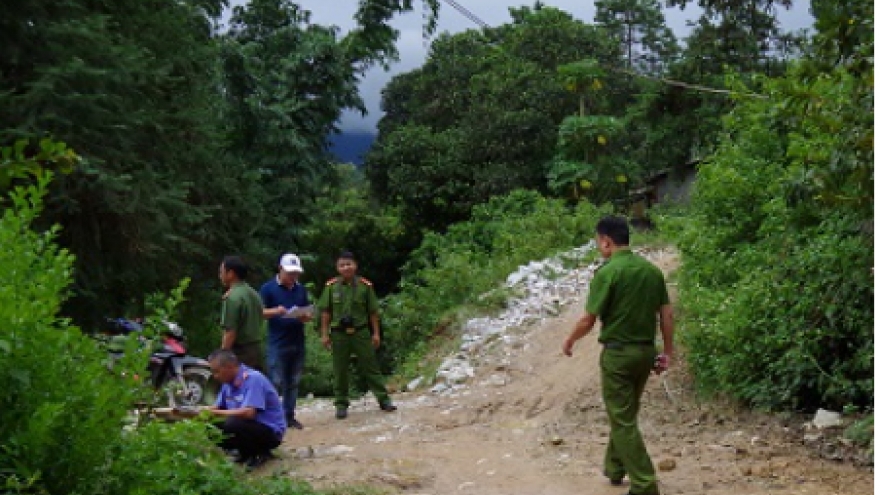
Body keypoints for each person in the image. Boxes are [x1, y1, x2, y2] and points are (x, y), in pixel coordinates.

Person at [562, 216, 674, 495]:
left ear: (606, 241)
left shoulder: (608, 272)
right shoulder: (651, 271)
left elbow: (588, 320)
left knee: (622, 419)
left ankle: (645, 484)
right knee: (626, 412)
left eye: (598, 242)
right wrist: (668, 352)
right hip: (646, 353)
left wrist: (570, 340)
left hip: (618, 356)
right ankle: (615, 467)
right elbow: (666, 315)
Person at [316, 251, 397, 419]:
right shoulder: (331, 287)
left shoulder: (364, 286)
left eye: (349, 264)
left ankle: (383, 399)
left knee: (371, 366)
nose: (346, 267)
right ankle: (341, 404)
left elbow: (373, 312)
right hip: (339, 333)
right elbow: (325, 312)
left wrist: (376, 333)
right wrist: (324, 334)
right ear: (337, 268)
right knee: (340, 369)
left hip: (361, 331)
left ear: (355, 265)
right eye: (342, 265)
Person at [207, 349, 286, 469]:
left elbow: (249, 413)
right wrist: (197, 412)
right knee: (209, 423)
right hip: (249, 427)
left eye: (217, 371)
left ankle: (258, 453)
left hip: (269, 431)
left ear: (229, 366)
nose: (215, 376)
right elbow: (217, 407)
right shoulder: (227, 384)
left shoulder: (253, 379)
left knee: (232, 422)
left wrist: (215, 412)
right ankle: (243, 452)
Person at [259, 253, 312, 430]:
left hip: (297, 340)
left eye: (296, 273)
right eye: (290, 273)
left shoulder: (300, 289)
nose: (293, 277)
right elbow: (259, 312)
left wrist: (306, 316)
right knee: (275, 381)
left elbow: (307, 310)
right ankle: (272, 416)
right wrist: (276, 311)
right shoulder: (268, 288)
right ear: (280, 269)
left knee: (294, 381)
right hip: (278, 342)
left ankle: (289, 415)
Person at [219, 256, 266, 372]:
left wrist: (222, 356)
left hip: (240, 352)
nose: (220, 275)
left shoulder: (233, 297)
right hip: (256, 349)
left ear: (231, 273)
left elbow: (230, 331)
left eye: (221, 272)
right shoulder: (253, 293)